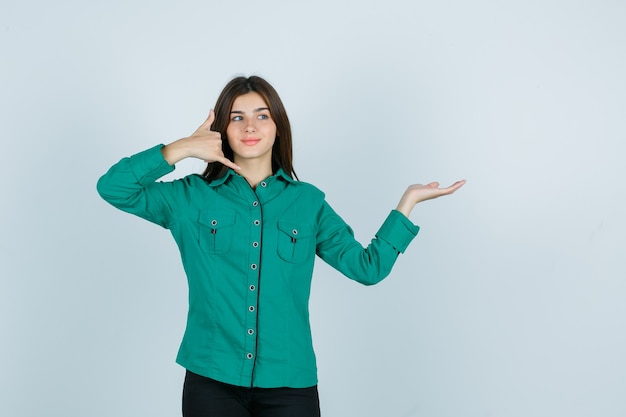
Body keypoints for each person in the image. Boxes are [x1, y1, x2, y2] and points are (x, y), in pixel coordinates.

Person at [96, 75, 465, 417]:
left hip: (291, 385)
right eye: (237, 117)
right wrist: (180, 148)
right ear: (221, 128)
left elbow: (367, 268)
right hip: (211, 380)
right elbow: (112, 187)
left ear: (278, 127)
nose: (250, 126)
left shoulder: (308, 203)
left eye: (262, 115)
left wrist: (408, 203)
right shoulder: (189, 198)